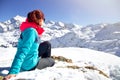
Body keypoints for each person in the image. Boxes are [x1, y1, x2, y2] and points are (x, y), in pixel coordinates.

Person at [3, 9, 55, 80]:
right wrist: (13, 71)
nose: (43, 21)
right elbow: (22, 51)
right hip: (29, 65)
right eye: (43, 19)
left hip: (30, 58)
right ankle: (42, 65)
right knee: (52, 61)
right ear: (39, 19)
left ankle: (41, 61)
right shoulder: (31, 31)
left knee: (47, 44)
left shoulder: (28, 29)